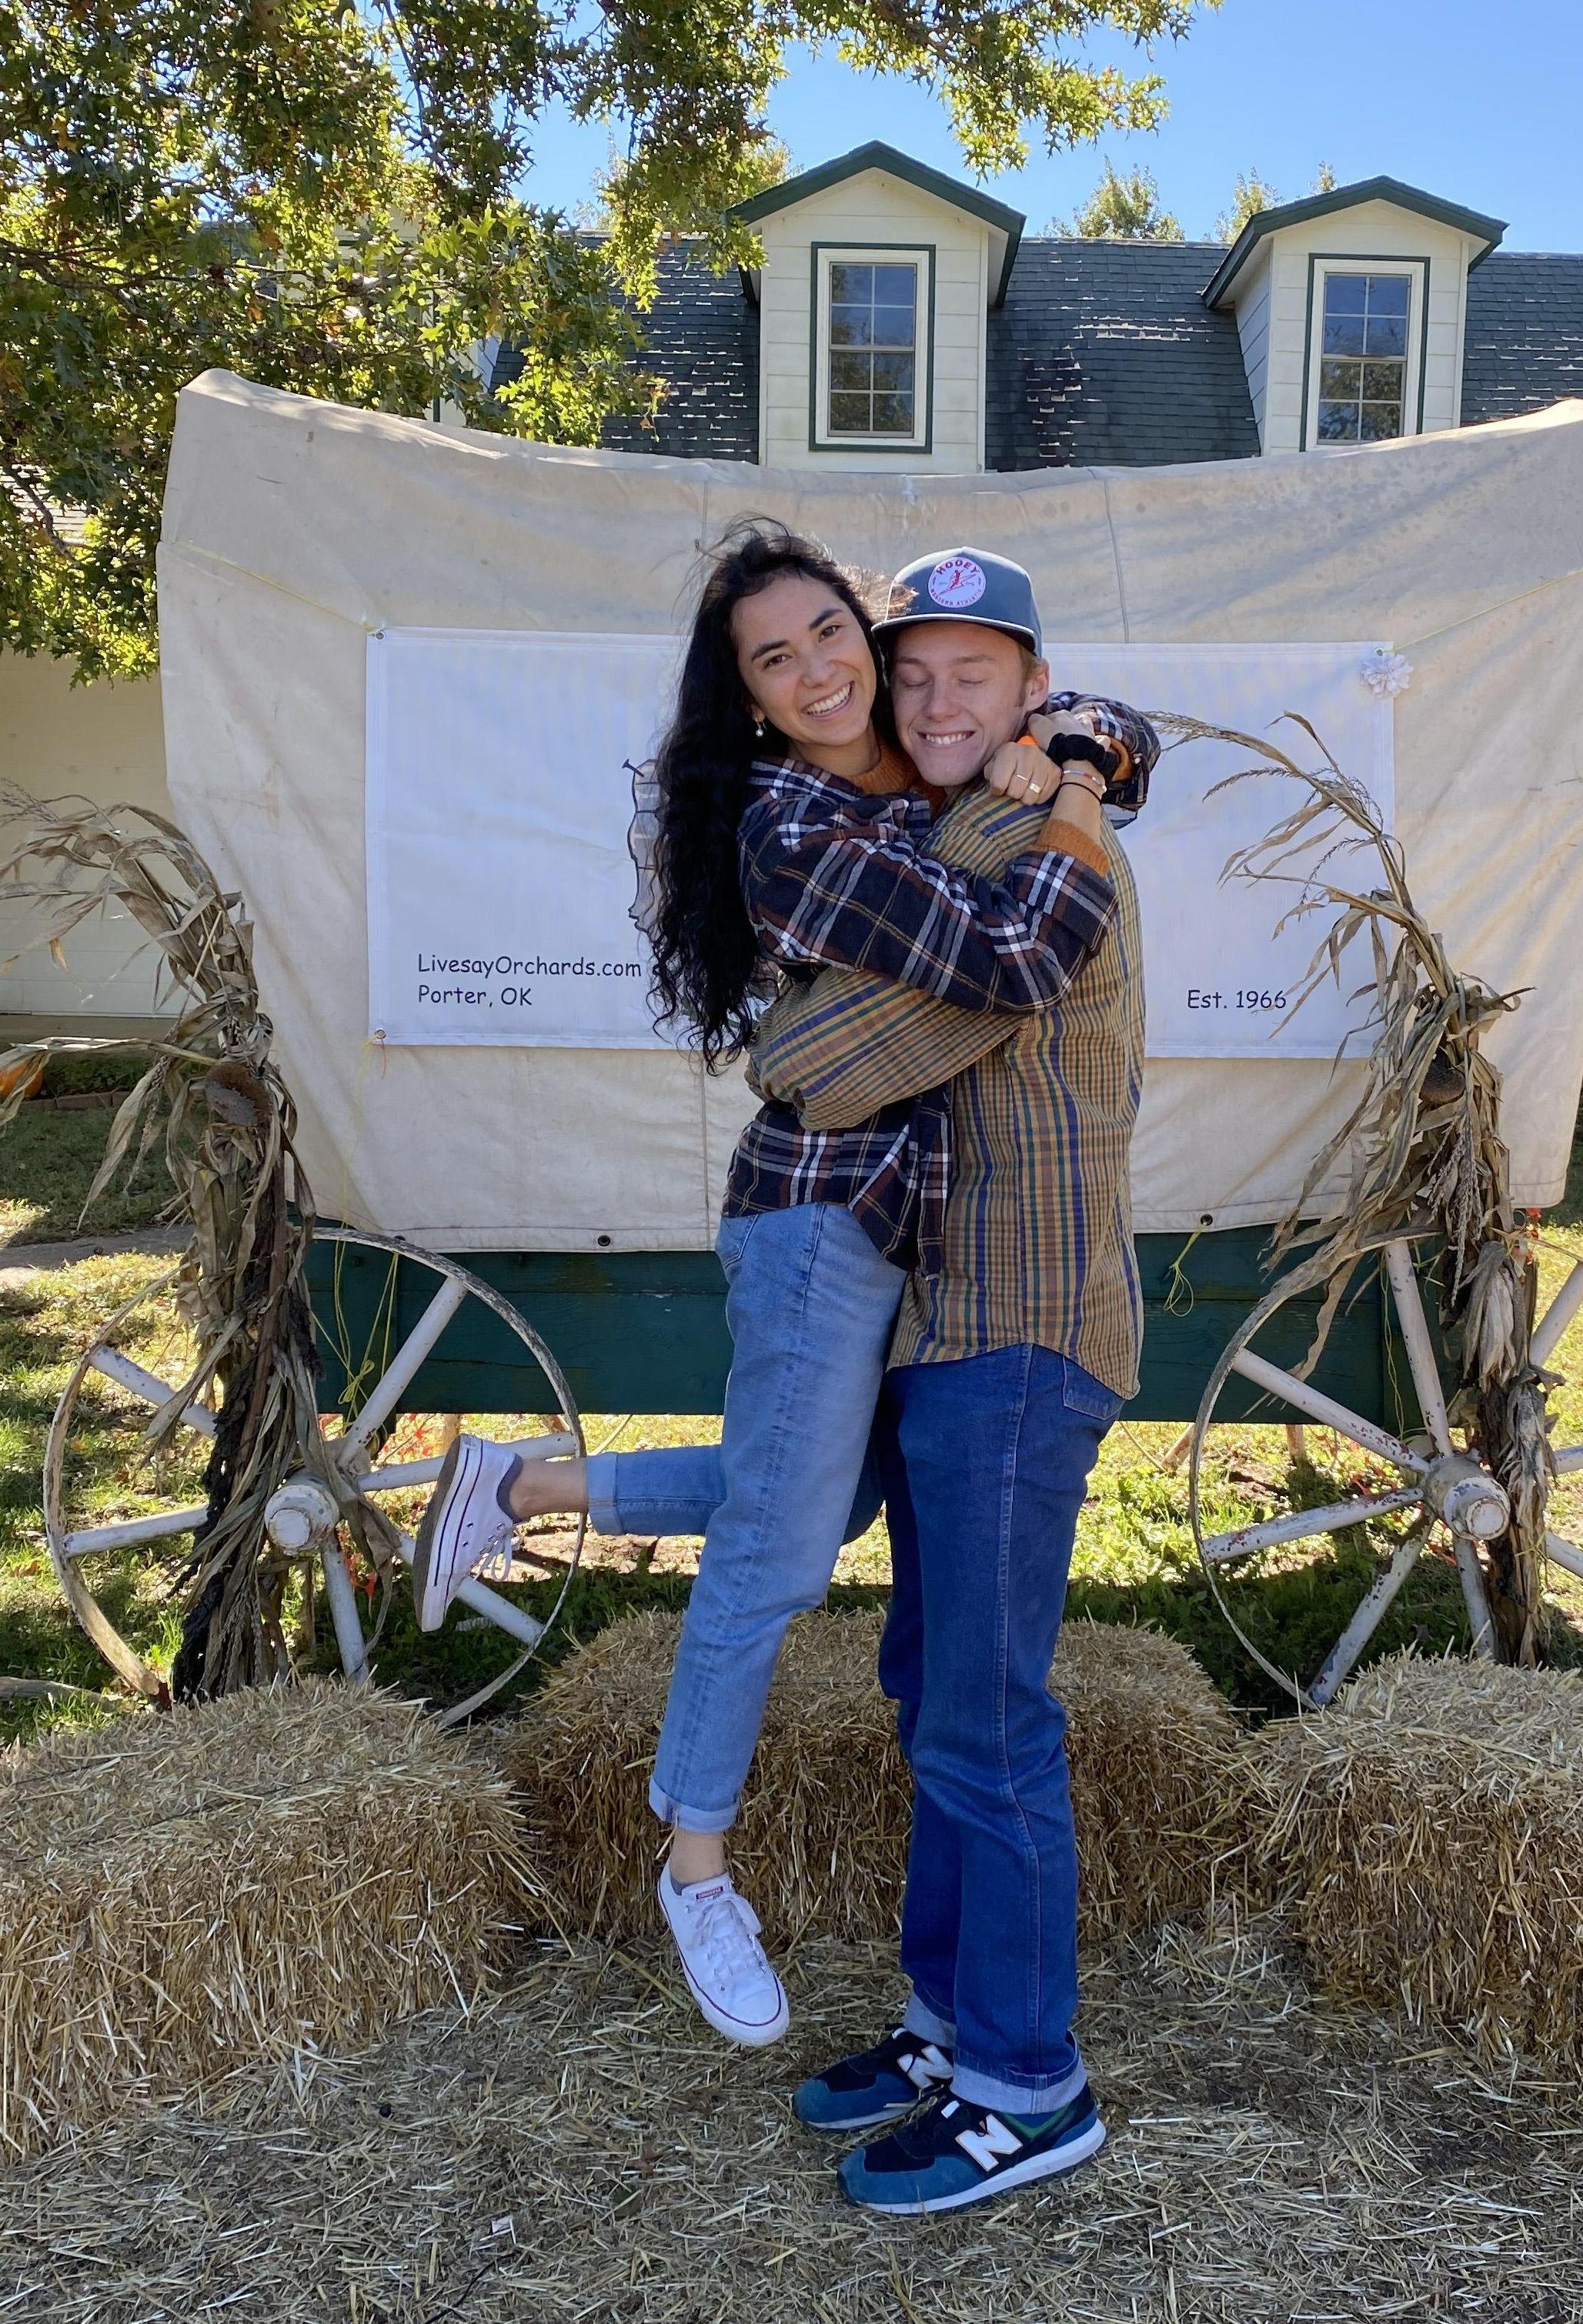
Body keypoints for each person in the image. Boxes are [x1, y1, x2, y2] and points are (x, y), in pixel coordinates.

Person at [412, 524, 1154, 2053]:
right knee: (774, 1552)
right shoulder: (795, 821)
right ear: (744, 696)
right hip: (820, 1216)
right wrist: (1072, 794)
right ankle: (693, 1860)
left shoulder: (935, 765)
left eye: (833, 635)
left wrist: (1083, 747)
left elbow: (1107, 721)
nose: (821, 671)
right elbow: (997, 966)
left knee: (826, 1499)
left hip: (910, 1237)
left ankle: (527, 1486)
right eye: (777, 656)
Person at [746, 556, 1146, 2215]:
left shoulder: (1022, 834)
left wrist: (788, 1034)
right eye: (911, 676)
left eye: (970, 675)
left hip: (1020, 1330)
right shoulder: (984, 812)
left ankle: (1027, 2086)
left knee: (986, 1723)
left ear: (1030, 684)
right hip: (950, 1322)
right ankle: (947, 2022)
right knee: (934, 1697)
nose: (932, 702)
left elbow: (820, 1061)